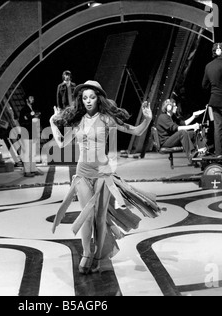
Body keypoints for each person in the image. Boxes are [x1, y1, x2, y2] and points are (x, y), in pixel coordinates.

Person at [50, 80, 165, 274]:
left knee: (99, 218)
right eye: (85, 98)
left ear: (98, 98)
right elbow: (61, 143)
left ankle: (99, 257)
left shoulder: (106, 119)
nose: (88, 101)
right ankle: (87, 253)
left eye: (92, 97)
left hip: (103, 175)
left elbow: (135, 131)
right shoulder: (77, 122)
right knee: (86, 216)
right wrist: (53, 122)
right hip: (83, 174)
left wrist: (146, 119)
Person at [156, 99, 204, 165]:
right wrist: (193, 126)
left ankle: (200, 153)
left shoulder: (172, 116)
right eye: (174, 106)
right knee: (182, 133)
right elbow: (177, 128)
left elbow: (183, 123)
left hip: (171, 139)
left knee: (192, 134)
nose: (176, 107)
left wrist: (193, 116)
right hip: (165, 142)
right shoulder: (163, 117)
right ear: (169, 107)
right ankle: (192, 156)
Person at [19, 95, 43, 177]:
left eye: (33, 97)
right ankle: (27, 171)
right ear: (26, 100)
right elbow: (22, 121)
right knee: (27, 153)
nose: (33, 99)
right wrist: (31, 117)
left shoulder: (33, 109)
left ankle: (33, 169)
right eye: (31, 98)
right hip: (26, 133)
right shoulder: (24, 110)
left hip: (33, 133)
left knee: (33, 153)